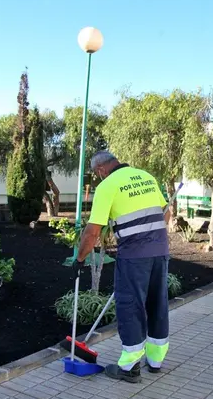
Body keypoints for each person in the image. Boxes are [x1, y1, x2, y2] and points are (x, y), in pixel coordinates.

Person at [72, 151, 171, 383]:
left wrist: (79, 260)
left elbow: (93, 231)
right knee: (158, 303)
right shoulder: (145, 176)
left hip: (134, 256)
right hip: (160, 251)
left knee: (130, 306)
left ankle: (129, 368)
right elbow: (167, 214)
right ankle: (155, 361)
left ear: (100, 170)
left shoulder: (108, 186)